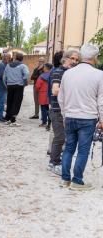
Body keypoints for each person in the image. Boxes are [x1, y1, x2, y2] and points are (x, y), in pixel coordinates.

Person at [58, 43, 103, 190]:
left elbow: (61, 97)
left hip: (70, 116)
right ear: (95, 58)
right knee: (83, 150)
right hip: (87, 118)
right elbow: (101, 100)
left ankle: (65, 179)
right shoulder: (99, 75)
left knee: (69, 148)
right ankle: (77, 181)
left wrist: (65, 115)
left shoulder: (68, 73)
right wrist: (102, 119)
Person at [47, 50, 80, 175]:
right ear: (65, 58)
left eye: (77, 60)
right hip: (57, 110)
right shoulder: (58, 72)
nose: (75, 62)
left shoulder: (72, 73)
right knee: (60, 136)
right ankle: (53, 162)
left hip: (69, 110)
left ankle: (58, 160)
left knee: (65, 138)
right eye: (73, 58)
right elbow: (55, 91)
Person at [3, 53, 30, 126]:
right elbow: (27, 74)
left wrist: (6, 85)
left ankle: (7, 118)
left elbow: (4, 77)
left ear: (15, 58)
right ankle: (13, 119)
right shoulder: (23, 66)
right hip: (19, 86)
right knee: (17, 102)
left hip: (10, 86)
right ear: (22, 59)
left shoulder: (8, 65)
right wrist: (24, 82)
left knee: (9, 101)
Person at [34, 63, 53, 128]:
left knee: (43, 109)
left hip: (42, 93)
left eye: (44, 67)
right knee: (49, 108)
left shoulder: (41, 76)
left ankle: (44, 122)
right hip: (50, 93)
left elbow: (37, 86)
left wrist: (37, 90)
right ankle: (50, 122)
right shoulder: (53, 75)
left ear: (45, 68)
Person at [0, 53, 11, 122]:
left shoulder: (5, 64)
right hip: (1, 86)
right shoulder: (1, 65)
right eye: (9, 58)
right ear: (5, 58)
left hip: (3, 86)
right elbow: (2, 76)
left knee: (2, 102)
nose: (9, 59)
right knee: (1, 102)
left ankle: (0, 116)